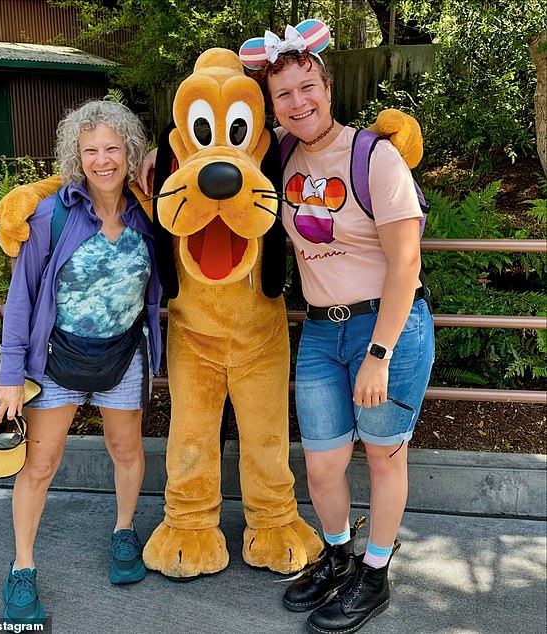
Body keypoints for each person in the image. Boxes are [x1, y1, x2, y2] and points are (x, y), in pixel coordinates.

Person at [237, 21, 435, 634]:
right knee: (321, 465)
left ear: (328, 86)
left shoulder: (373, 155)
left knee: (381, 459)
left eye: (308, 87)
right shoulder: (282, 157)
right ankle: (340, 556)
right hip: (322, 333)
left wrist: (381, 351)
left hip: (387, 327)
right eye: (285, 95)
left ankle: (374, 572)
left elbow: (406, 262)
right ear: (273, 106)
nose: (299, 102)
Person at [0, 98, 161, 625]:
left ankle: (123, 532)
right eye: (90, 150)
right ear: (76, 156)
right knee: (39, 466)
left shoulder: (149, 214)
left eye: (113, 148)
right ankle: (22, 569)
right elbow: (21, 297)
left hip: (123, 357)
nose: (103, 160)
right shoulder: (52, 214)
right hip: (54, 363)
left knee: (126, 450)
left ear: (130, 152)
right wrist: (10, 376)